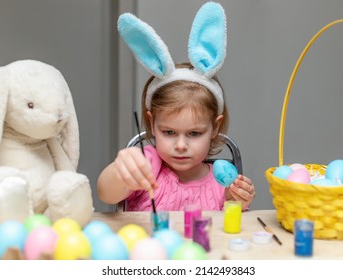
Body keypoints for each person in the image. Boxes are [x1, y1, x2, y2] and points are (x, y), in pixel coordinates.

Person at [97, 2, 255, 211]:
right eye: (169, 132)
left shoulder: (222, 185)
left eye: (194, 133)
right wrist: (120, 172)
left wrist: (238, 200)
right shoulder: (146, 172)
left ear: (215, 127)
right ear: (152, 123)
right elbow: (106, 193)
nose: (181, 145)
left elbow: (228, 231)